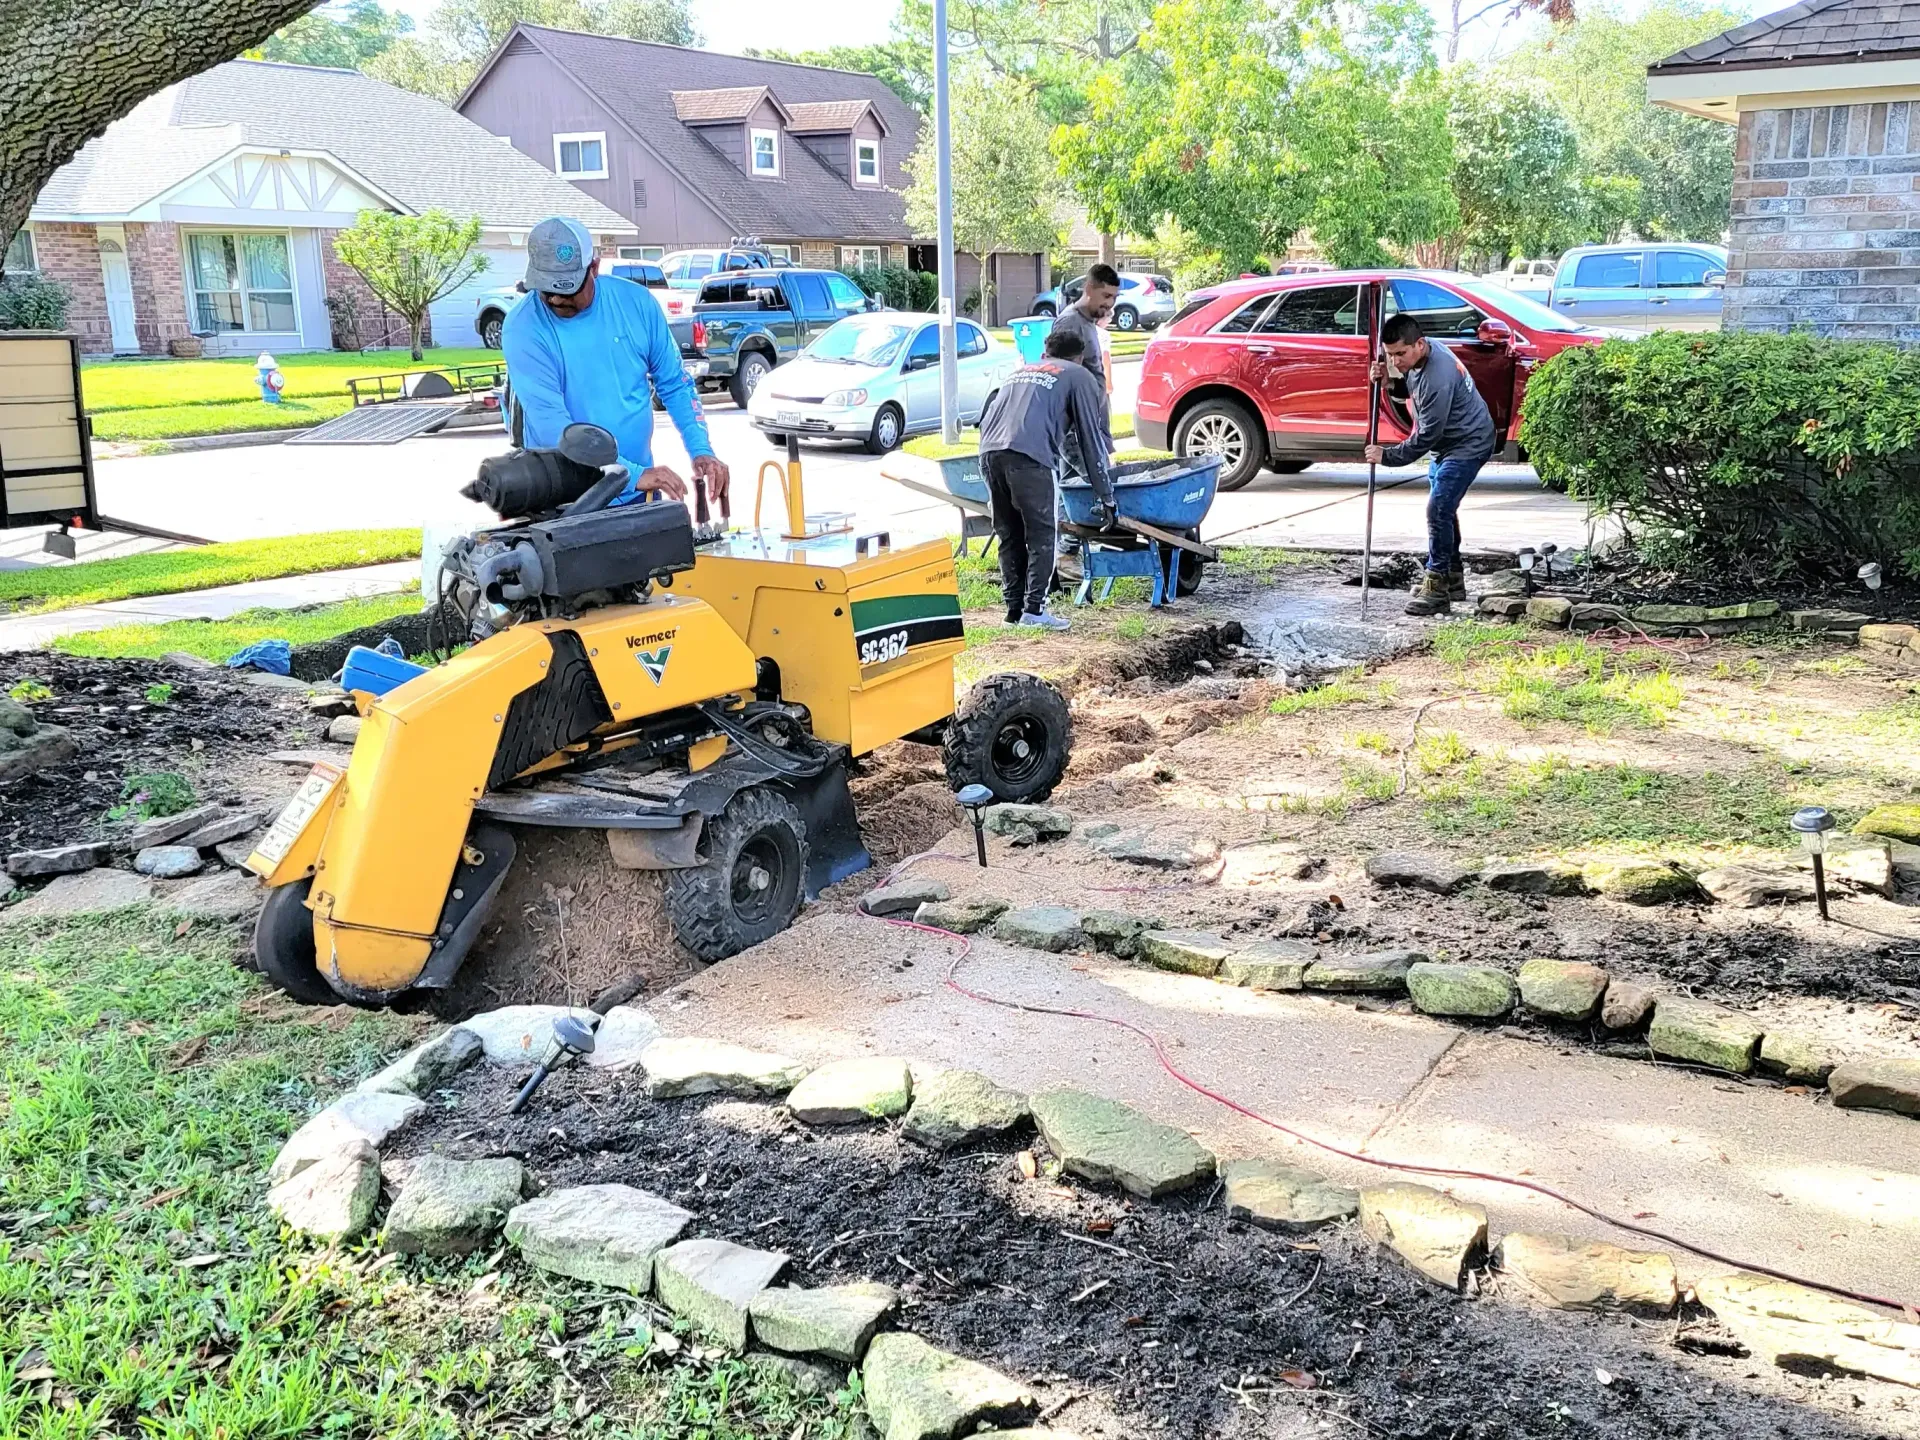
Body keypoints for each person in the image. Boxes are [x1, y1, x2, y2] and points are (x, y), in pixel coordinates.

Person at [502, 216, 729, 509]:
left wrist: (701, 450)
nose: (558, 300)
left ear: (594, 268)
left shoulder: (636, 304)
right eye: (547, 291)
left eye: (569, 289)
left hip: (637, 494)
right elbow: (552, 428)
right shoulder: (523, 328)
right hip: (565, 501)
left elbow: (675, 384)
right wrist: (634, 474)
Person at [977, 328, 1117, 632]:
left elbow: (989, 417)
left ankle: (1013, 611)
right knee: (1042, 535)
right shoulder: (1079, 376)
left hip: (989, 453)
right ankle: (1035, 610)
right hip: (1031, 459)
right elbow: (1088, 439)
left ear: (1045, 353)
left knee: (1009, 534)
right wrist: (1105, 493)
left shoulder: (1021, 371)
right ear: (1079, 357)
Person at [1363, 313, 1496, 616]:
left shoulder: (1438, 376)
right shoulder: (1422, 356)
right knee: (1444, 508)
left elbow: (1426, 437)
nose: (1396, 361)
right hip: (1449, 443)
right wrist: (1388, 383)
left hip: (1467, 444)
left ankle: (1436, 588)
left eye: (1401, 354)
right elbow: (1411, 388)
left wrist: (1388, 456)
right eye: (1390, 354)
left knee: (1438, 509)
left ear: (1419, 344)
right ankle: (1452, 578)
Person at [1047, 262, 1121, 450]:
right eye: (1106, 295)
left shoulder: (1088, 322)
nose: (1110, 303)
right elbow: (1061, 382)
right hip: (1079, 435)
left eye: (1114, 297)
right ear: (1089, 289)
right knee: (1085, 480)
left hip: (1093, 427)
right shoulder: (1069, 323)